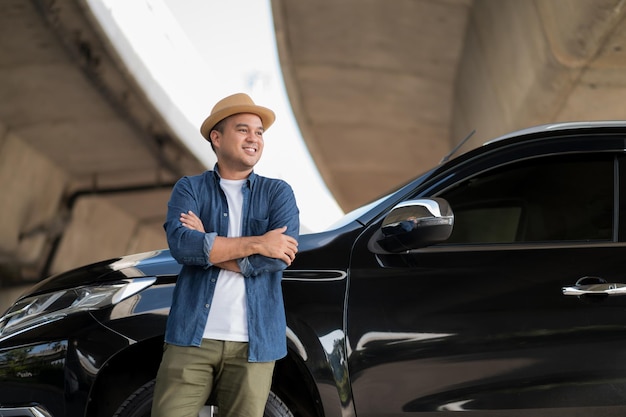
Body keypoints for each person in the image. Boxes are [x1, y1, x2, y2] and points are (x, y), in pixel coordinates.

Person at [152, 93, 300, 417]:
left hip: (255, 344)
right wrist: (258, 242)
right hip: (191, 336)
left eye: (259, 132)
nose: (254, 139)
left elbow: (278, 257)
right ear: (216, 138)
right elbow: (181, 245)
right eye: (243, 129)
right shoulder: (189, 189)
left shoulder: (278, 193)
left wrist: (209, 244)